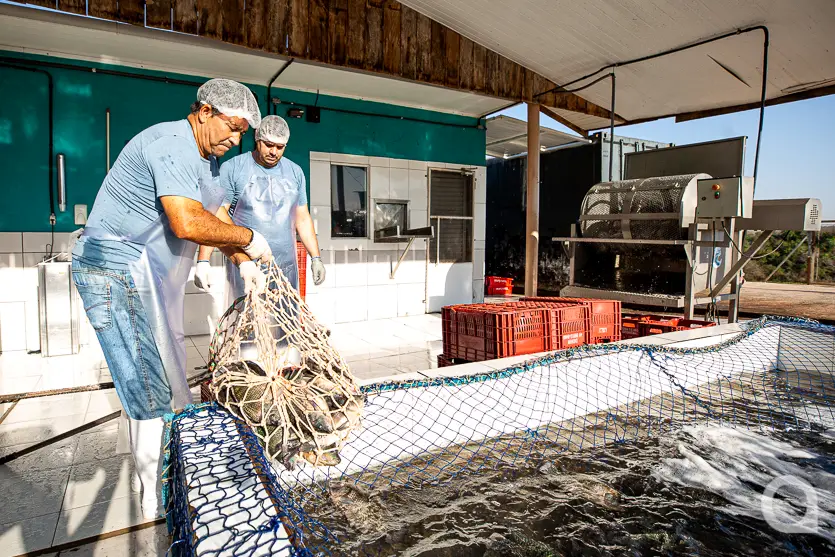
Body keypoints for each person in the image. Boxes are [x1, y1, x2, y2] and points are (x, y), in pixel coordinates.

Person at [71, 78, 273, 520]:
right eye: (232, 128)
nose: (236, 140)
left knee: (167, 376)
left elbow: (214, 216)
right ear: (205, 111)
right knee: (151, 386)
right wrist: (251, 237)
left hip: (147, 279)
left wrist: (243, 261)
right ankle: (155, 503)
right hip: (115, 269)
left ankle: (162, 482)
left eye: (242, 134)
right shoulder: (170, 142)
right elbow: (186, 222)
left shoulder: (208, 164)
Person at [193, 115, 326, 304]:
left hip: (286, 266)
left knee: (285, 324)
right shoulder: (234, 168)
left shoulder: (295, 172)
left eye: (280, 147)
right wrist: (203, 260)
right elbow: (216, 215)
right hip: (246, 263)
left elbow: (302, 218)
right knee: (247, 325)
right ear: (257, 140)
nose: (274, 152)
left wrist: (316, 257)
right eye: (268, 145)